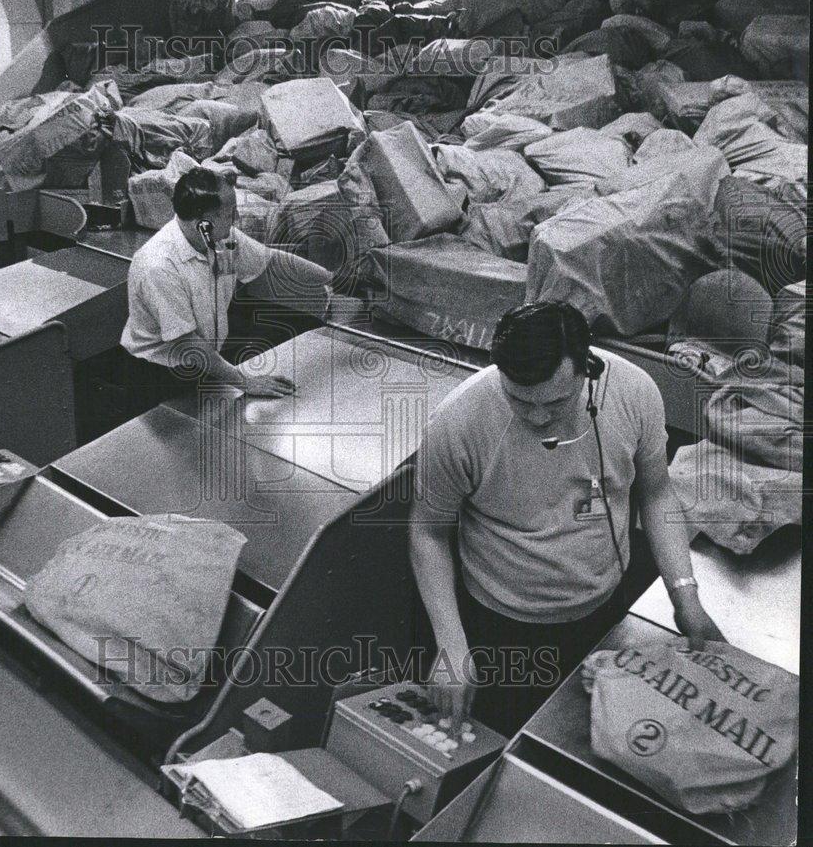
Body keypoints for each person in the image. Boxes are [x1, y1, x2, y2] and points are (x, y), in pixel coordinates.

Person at [410, 301, 725, 738]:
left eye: (556, 402)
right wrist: (450, 643)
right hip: (500, 623)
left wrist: (684, 596)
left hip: (602, 610)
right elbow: (428, 532)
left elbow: (655, 493)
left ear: (588, 369)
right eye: (519, 400)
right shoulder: (458, 421)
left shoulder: (634, 393)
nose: (538, 418)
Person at [121, 166, 333, 406]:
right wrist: (245, 382)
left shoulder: (220, 236)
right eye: (230, 213)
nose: (236, 219)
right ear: (202, 221)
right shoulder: (158, 266)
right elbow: (187, 342)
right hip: (160, 376)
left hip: (206, 358)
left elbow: (271, 261)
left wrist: (331, 278)